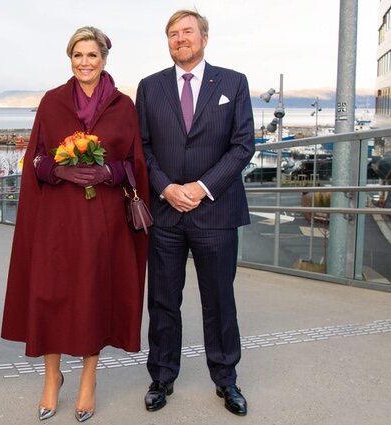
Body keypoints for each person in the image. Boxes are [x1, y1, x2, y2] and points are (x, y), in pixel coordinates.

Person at [2, 27, 149, 423]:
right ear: (70, 59)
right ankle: (52, 378)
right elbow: (34, 158)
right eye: (77, 55)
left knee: (92, 296)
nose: (84, 62)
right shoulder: (51, 102)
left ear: (104, 59)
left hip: (104, 222)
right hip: (57, 219)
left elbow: (135, 163)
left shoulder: (123, 106)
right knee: (50, 294)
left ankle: (88, 379)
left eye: (92, 55)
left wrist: (108, 171)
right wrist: (57, 171)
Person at [135, 9, 254, 417]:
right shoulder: (149, 88)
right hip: (165, 212)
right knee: (163, 301)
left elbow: (242, 145)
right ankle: (161, 376)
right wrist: (167, 187)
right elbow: (142, 148)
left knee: (219, 300)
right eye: (172, 33)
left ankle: (226, 379)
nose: (180, 38)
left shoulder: (233, 83)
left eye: (187, 32)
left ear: (204, 38)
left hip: (216, 213)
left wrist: (201, 189)